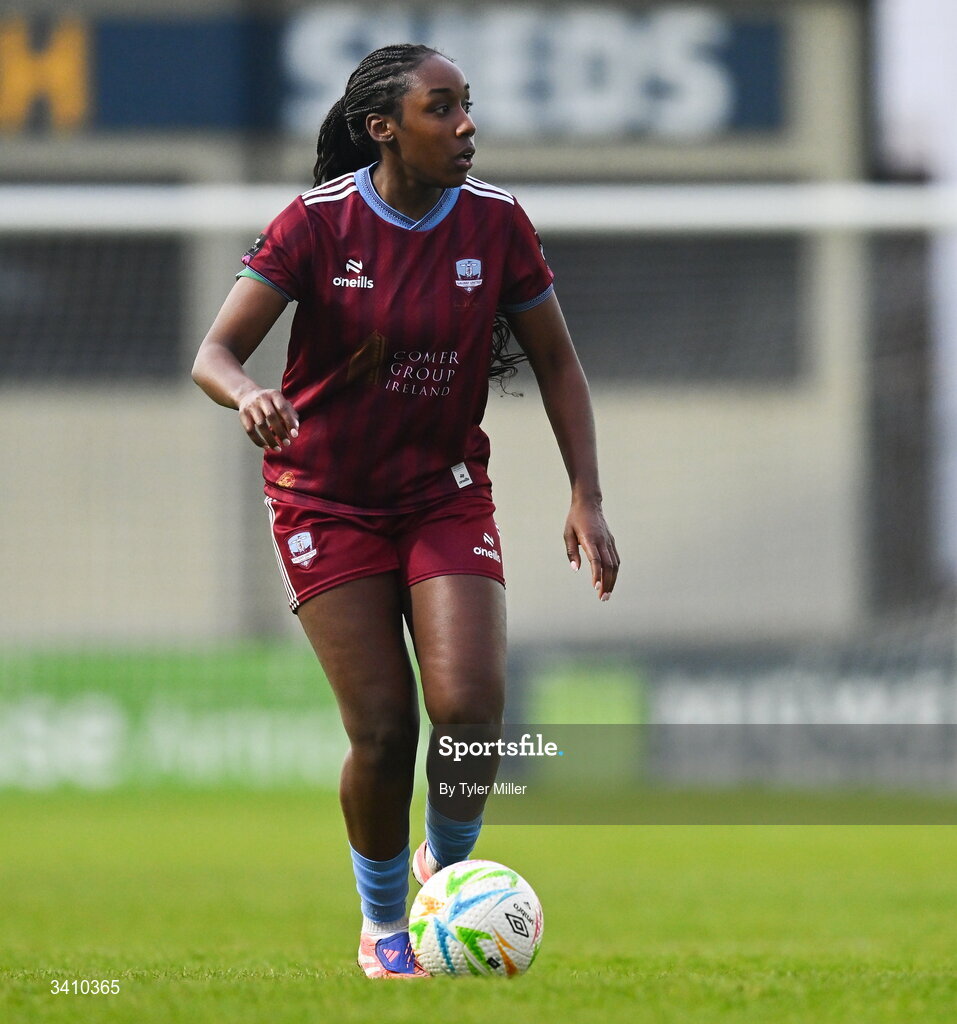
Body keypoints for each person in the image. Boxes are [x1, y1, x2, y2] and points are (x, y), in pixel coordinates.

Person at [191, 43, 619, 979]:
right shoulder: (316, 225)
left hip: (441, 491)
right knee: (384, 731)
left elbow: (556, 362)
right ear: (383, 128)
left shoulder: (499, 224)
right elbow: (214, 354)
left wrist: (584, 495)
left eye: (468, 106)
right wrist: (248, 396)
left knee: (468, 710)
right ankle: (384, 927)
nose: (466, 125)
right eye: (441, 109)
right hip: (324, 500)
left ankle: (446, 876)